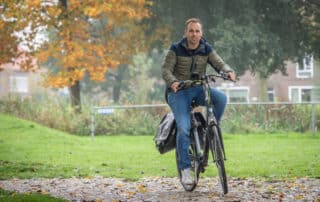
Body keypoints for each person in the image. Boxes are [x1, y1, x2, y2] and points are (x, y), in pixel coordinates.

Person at [161, 18, 236, 186]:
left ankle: (210, 129)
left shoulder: (206, 48)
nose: (194, 34)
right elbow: (166, 69)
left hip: (199, 88)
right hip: (178, 91)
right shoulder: (175, 49)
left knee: (221, 98)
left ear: (201, 33)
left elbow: (219, 63)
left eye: (197, 31)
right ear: (185, 33)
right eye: (191, 31)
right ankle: (185, 169)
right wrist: (173, 82)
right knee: (183, 127)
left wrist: (228, 71)